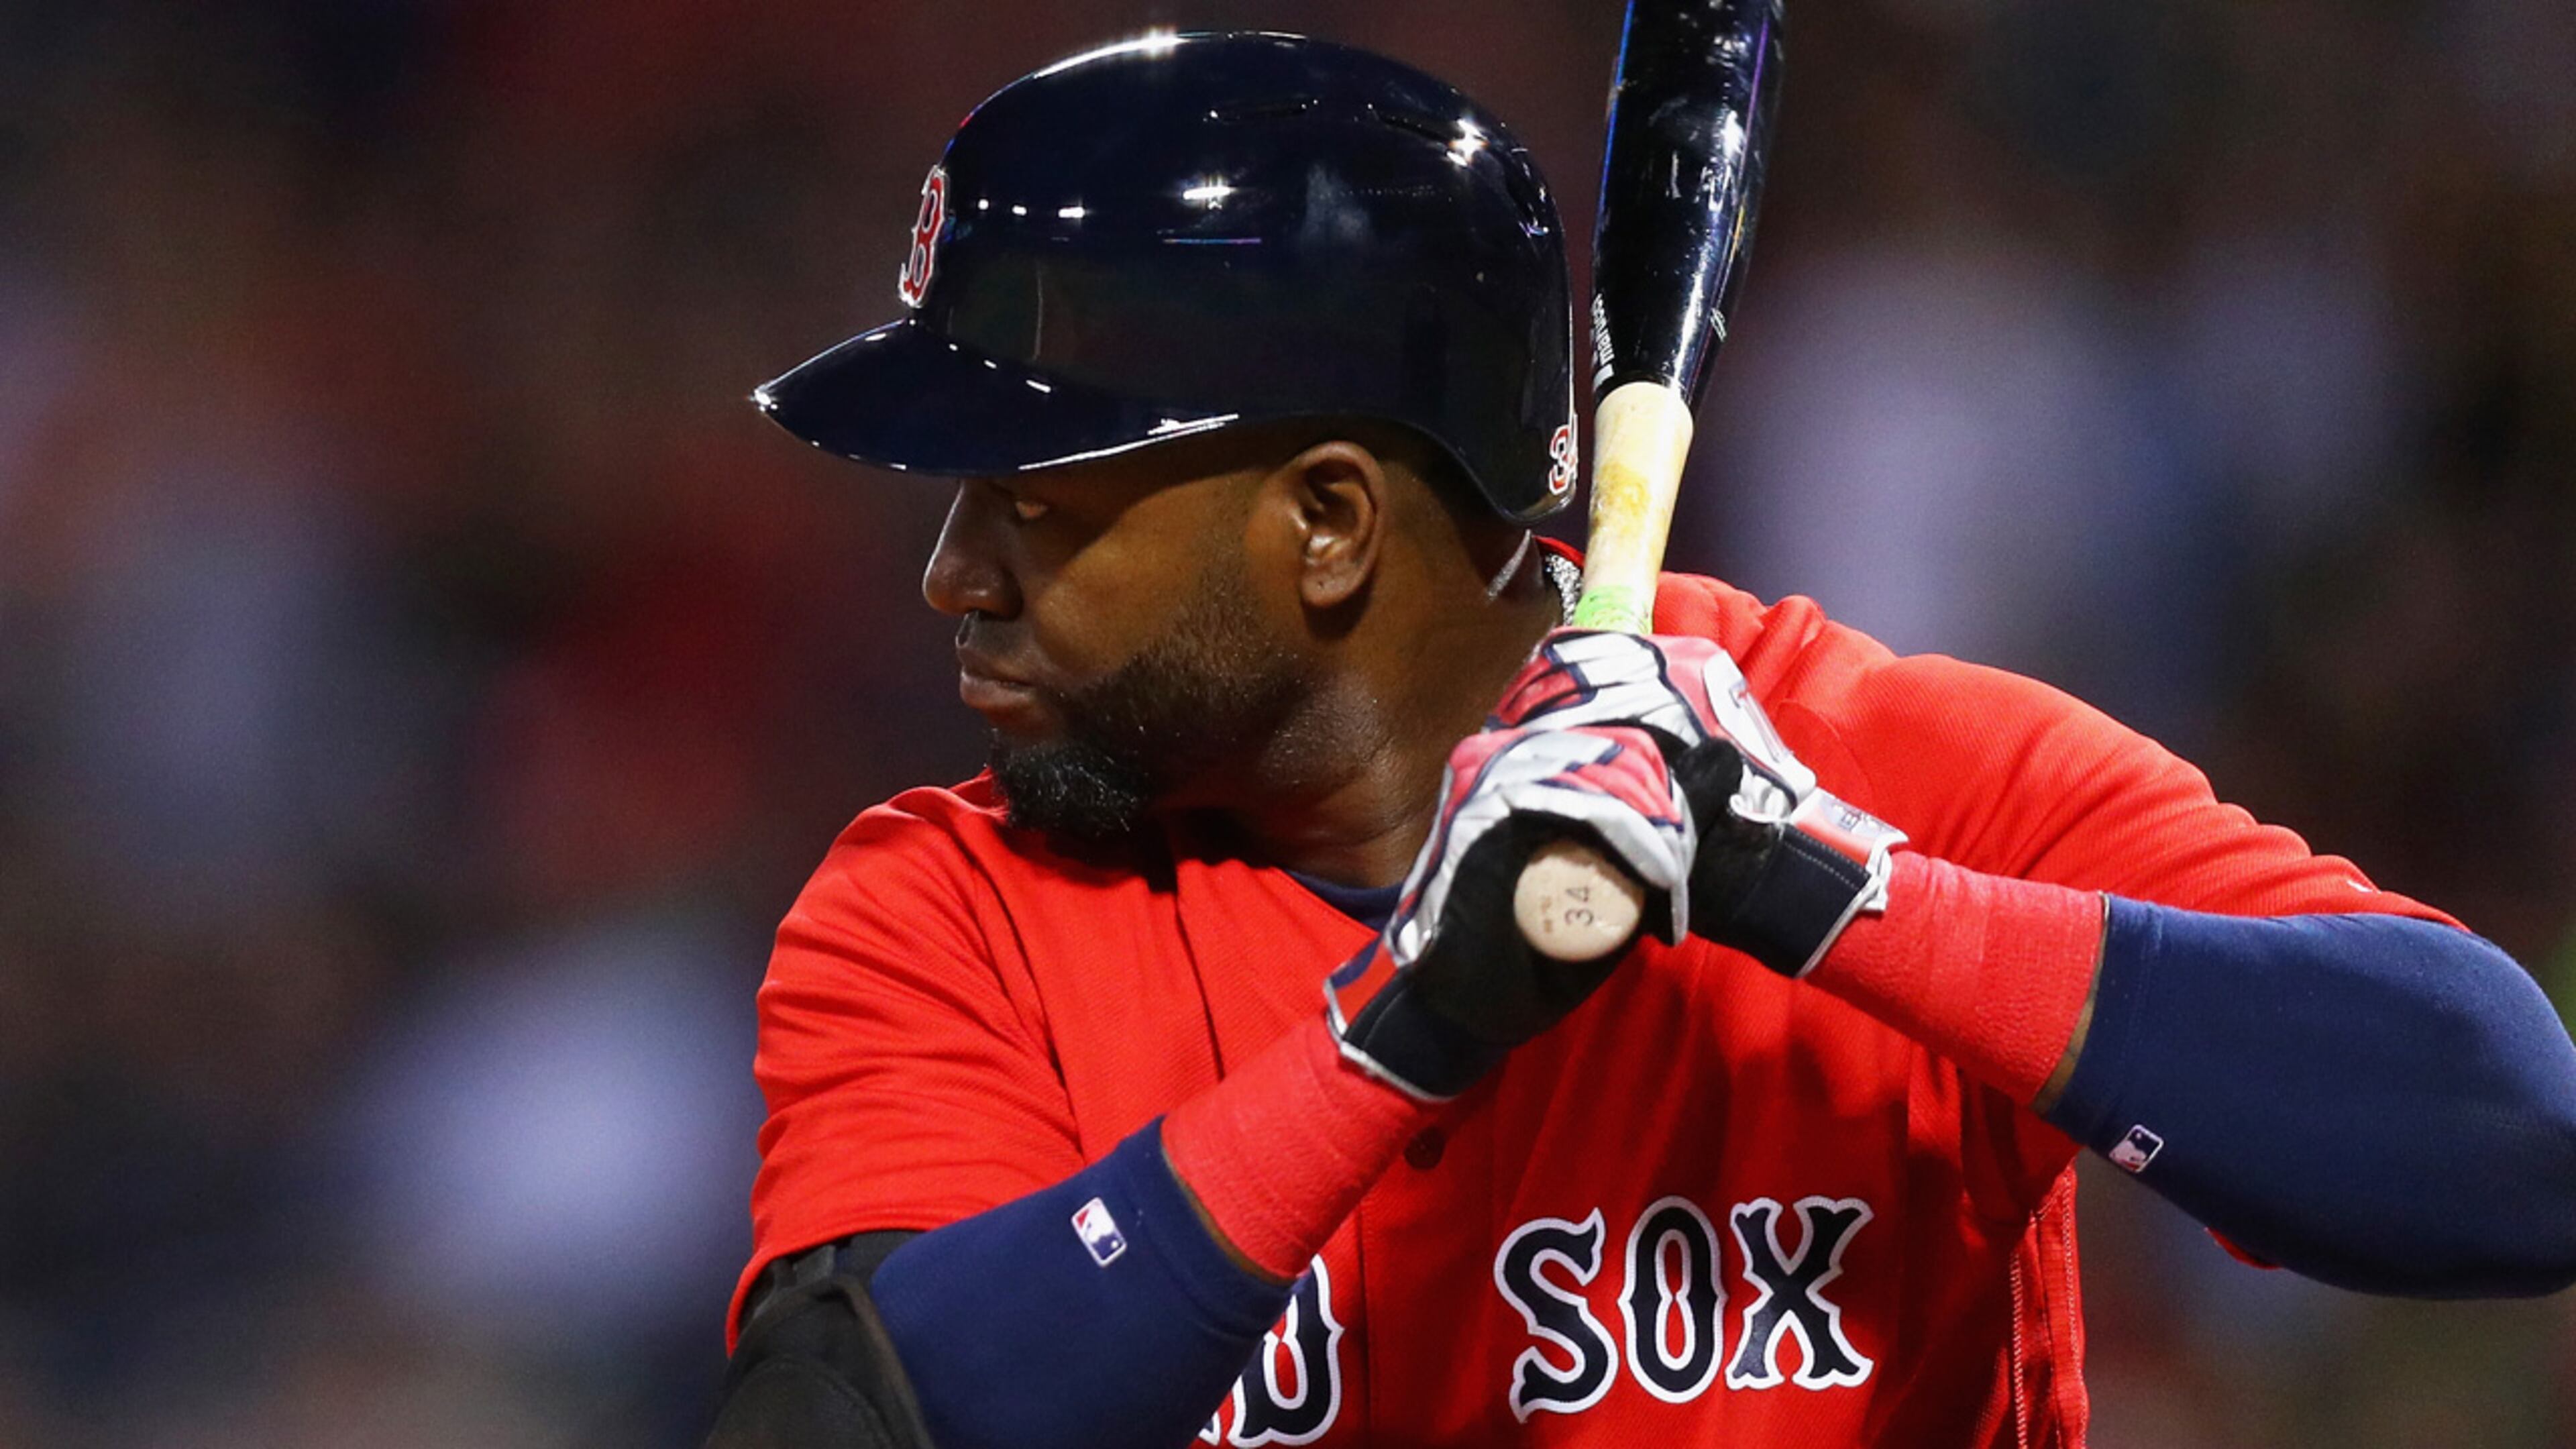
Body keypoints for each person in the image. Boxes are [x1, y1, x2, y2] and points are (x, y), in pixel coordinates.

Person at [704, 32, 2576, 1449]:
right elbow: (848, 1421)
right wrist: (1407, 1027)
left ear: (1335, 524)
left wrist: (1830, 891)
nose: (953, 578)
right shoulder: (939, 913)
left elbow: (2512, 1150)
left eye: (1034, 506)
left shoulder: (1873, 764)